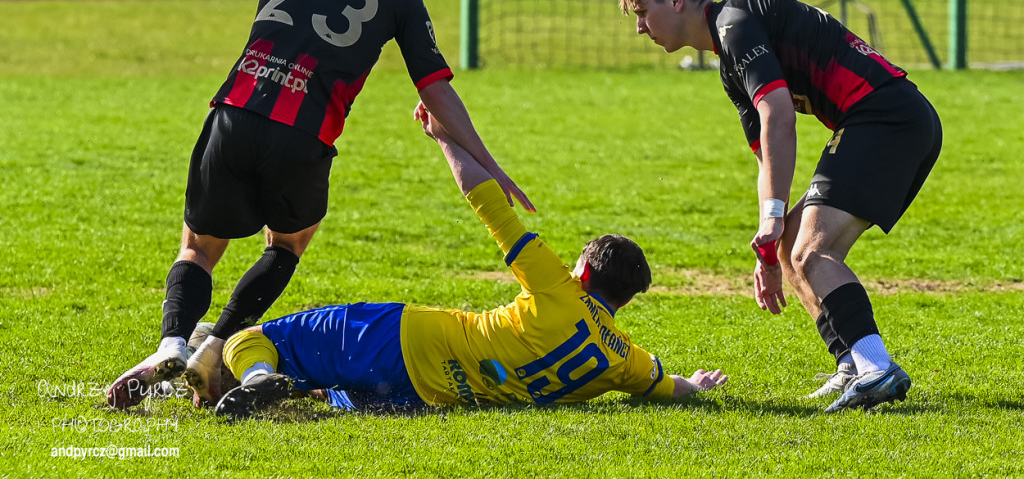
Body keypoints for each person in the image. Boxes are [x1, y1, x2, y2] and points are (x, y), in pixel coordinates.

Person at [52, 0, 534, 410]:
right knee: (285, 244)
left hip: (236, 112)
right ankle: (214, 348)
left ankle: (171, 342)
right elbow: (435, 88)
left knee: (198, 248)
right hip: (305, 136)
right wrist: (490, 164)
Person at [211, 104, 728, 419]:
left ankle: (250, 370)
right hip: (428, 396)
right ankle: (249, 376)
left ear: (585, 274)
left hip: (407, 338)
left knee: (251, 339)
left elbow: (490, 209)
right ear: (626, 297)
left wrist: (444, 138)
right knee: (328, 388)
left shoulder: (559, 289)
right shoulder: (622, 360)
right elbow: (666, 387)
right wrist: (696, 385)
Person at [617, 0, 941, 413]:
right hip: (889, 119)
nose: (639, 27)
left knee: (812, 251)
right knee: (792, 244)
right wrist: (768, 244)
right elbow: (766, 153)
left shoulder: (734, 23)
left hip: (886, 117)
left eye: (643, 12)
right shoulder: (729, 61)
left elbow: (779, 117)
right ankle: (852, 364)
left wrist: (771, 217)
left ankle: (877, 368)